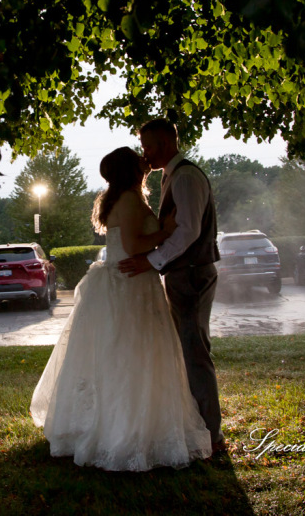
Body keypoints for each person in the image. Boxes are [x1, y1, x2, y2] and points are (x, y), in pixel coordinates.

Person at [30, 147, 212, 471]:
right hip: (129, 286)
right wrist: (167, 232)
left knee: (131, 357)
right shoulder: (129, 200)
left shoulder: (125, 197)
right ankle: (123, 432)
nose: (145, 158)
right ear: (131, 169)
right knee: (131, 357)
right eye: (138, 157)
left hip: (131, 282)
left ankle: (138, 424)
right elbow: (133, 245)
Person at [118, 118, 226, 453]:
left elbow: (188, 230)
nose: (145, 154)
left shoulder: (187, 177)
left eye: (148, 146)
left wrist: (152, 260)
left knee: (194, 353)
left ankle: (211, 437)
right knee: (189, 349)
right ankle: (200, 427)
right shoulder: (171, 176)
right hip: (183, 274)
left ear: (165, 143)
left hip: (192, 274)